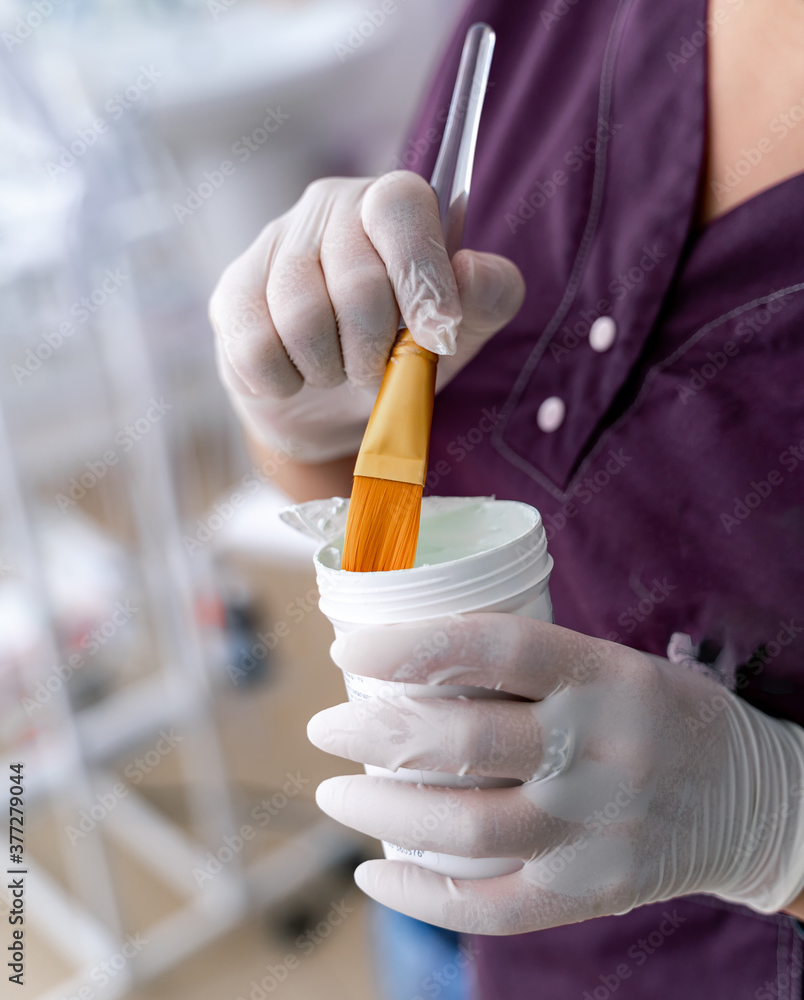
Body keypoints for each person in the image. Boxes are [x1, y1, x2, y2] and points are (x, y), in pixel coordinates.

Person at [209, 0, 804, 995]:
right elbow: (381, 480)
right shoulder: (541, 27)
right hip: (444, 915)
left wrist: (777, 821)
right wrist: (303, 416)